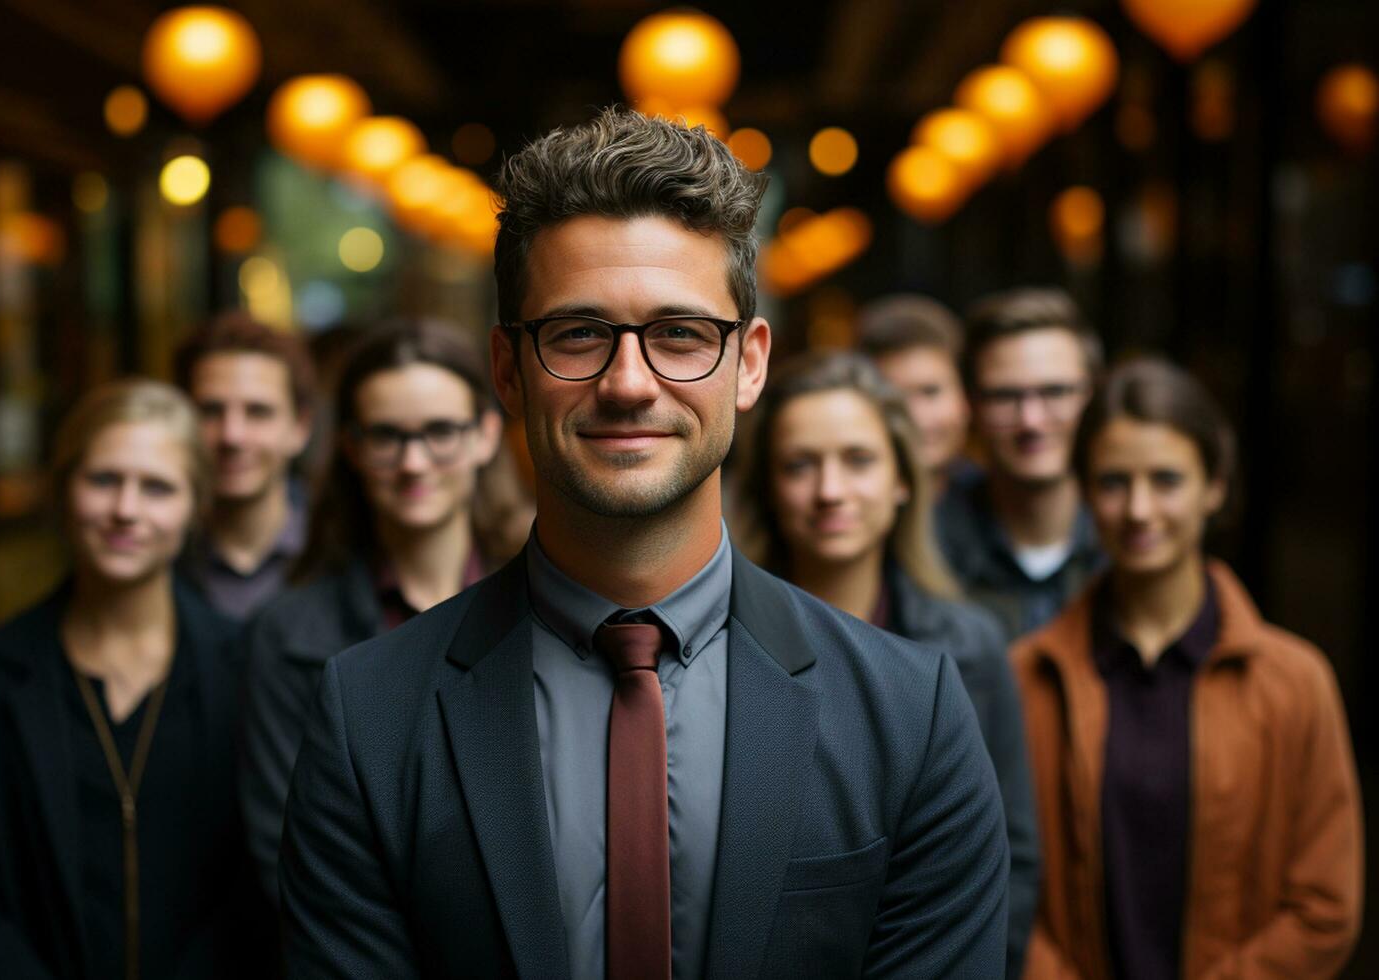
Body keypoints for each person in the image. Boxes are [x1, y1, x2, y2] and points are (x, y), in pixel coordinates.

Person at [279, 106, 1007, 979]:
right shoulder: (369, 720)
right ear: (508, 370)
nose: (630, 384)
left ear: (751, 364)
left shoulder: (908, 714)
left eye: (681, 336)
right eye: (578, 333)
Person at [1013, 359, 1363, 979]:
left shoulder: (1294, 681)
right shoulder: (1029, 677)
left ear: (1216, 487)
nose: (1140, 509)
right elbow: (1006, 890)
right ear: (1086, 493)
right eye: (1114, 482)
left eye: (1167, 479)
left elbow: (1325, 908)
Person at [0, 380, 268, 979]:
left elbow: (259, 881)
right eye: (104, 480)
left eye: (157, 487)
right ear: (63, 490)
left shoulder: (249, 667)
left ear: (196, 509)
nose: (126, 510)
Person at [734, 349, 1039, 978]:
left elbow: (1013, 860)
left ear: (903, 479)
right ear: (768, 486)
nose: (830, 490)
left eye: (859, 460)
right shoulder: (717, 640)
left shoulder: (968, 648)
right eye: (800, 465)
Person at [239, 317, 527, 901]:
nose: (414, 463)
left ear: (486, 435)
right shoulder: (289, 634)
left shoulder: (548, 601)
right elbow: (286, 856)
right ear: (350, 446)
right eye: (386, 436)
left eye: (440, 431)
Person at [937, 287, 1105, 638]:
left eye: (1055, 392)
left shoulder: (1128, 541)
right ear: (971, 406)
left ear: (1093, 397)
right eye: (1005, 396)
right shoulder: (926, 553)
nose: (1031, 421)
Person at [175, 312, 316, 620]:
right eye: (211, 411)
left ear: (300, 428)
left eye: (258, 411)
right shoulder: (155, 550)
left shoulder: (337, 553)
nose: (232, 436)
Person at [857, 293, 977, 497]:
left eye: (930, 392)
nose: (916, 416)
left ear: (965, 397)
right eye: (894, 397)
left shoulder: (1004, 505)